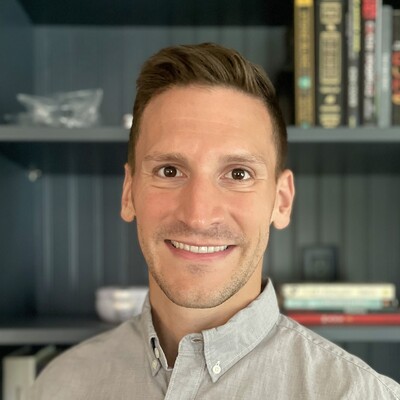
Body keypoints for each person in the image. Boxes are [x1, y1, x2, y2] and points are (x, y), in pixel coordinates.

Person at [29, 43, 400, 399]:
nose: (199, 216)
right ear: (129, 192)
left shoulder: (360, 395)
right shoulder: (58, 387)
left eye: (238, 174)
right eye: (169, 170)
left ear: (282, 201)